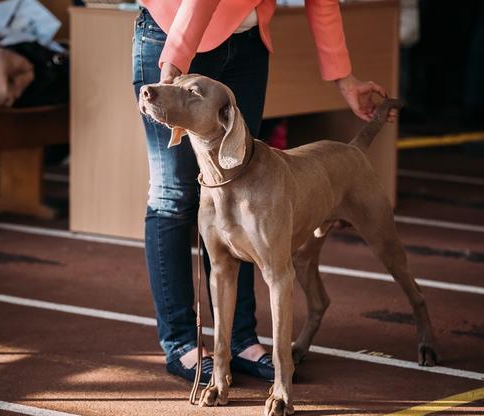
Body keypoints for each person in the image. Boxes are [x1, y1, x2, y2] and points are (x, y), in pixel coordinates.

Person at [132, 0, 395, 384]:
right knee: (175, 195)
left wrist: (345, 80)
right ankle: (181, 343)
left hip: (247, 44)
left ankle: (239, 340)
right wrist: (173, 68)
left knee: (242, 179)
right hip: (172, 34)